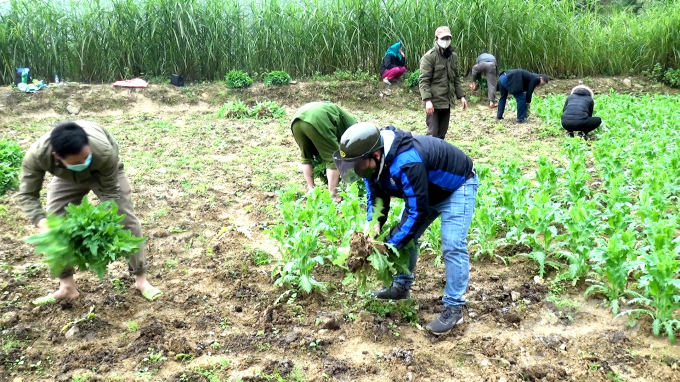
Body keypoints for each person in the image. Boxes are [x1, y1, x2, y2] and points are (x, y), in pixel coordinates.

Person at [333, 123, 478, 336]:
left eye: (358, 164)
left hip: (457, 186)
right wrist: (372, 230)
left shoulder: (406, 162)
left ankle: (454, 307)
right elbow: (376, 198)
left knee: (452, 244)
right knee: (407, 237)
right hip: (426, 191)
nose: (357, 169)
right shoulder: (371, 165)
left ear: (375, 154)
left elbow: (416, 212)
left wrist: (388, 245)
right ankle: (401, 287)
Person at [18, 121, 162, 304]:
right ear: (57, 157)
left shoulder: (102, 151)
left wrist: (104, 219)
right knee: (55, 225)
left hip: (104, 173)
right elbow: (27, 194)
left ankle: (141, 281)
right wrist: (41, 221)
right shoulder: (37, 156)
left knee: (126, 219)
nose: (83, 163)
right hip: (66, 177)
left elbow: (110, 191)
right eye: (77, 162)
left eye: (85, 157)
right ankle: (67, 287)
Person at [291, 102, 357, 201]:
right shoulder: (355, 128)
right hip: (316, 121)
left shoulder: (340, 115)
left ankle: (311, 189)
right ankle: (333, 196)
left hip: (297, 120)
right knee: (334, 159)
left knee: (306, 157)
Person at [418, 26, 467, 139]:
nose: (446, 41)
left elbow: (456, 78)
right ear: (436, 39)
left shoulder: (452, 56)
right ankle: (429, 156)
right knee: (432, 133)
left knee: (442, 134)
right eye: (443, 38)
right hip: (434, 102)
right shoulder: (429, 57)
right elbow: (423, 80)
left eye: (448, 38)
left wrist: (461, 96)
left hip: (447, 101)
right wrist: (427, 100)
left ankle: (439, 156)